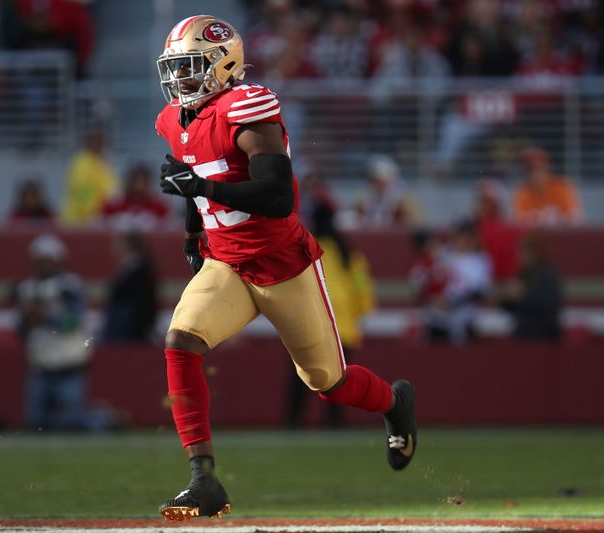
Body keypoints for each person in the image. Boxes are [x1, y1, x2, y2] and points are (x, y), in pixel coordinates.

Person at [153, 15, 417, 521]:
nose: (180, 80)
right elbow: (194, 177)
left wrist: (201, 191)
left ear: (222, 64)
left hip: (281, 264)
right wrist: (192, 232)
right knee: (180, 342)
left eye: (189, 67)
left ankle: (393, 402)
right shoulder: (174, 118)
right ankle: (203, 479)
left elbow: (274, 197)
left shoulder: (247, 107)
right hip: (226, 261)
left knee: (328, 382)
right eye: (175, 68)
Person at [285, 172, 376, 429]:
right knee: (338, 379)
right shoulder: (346, 249)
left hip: (309, 323)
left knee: (302, 377)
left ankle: (293, 422)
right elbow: (362, 287)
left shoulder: (304, 245)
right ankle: (334, 425)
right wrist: (358, 314)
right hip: (342, 325)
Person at [12, 234, 114, 431]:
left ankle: (104, 420)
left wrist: (45, 316)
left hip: (69, 366)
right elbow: (20, 332)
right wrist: (28, 319)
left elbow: (73, 323)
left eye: (48, 260)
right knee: (36, 425)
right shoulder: (27, 289)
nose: (44, 265)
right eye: (40, 260)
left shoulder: (70, 286)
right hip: (40, 367)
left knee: (72, 424)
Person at [499, 232, 562, 341]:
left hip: (543, 335)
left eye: (525, 252)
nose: (521, 256)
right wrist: (505, 298)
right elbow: (515, 307)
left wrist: (522, 295)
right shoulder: (523, 273)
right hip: (524, 333)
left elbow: (548, 304)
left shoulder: (547, 274)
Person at [101, 232, 158, 342]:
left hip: (129, 324)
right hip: (124, 321)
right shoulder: (129, 266)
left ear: (128, 245)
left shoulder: (138, 267)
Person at [59, 131, 119, 226]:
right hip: (80, 221)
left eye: (100, 140)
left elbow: (112, 188)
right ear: (88, 142)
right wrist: (92, 213)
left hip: (101, 218)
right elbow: (82, 191)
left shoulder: (102, 162)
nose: (98, 143)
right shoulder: (82, 163)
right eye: (94, 140)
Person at [512, 147, 582, 226]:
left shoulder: (561, 186)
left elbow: (574, 219)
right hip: (537, 237)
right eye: (527, 170)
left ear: (546, 167)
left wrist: (545, 218)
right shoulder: (522, 192)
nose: (532, 173)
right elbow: (520, 222)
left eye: (534, 168)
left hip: (561, 236)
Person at [354, 155, 421, 227]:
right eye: (372, 180)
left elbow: (419, 223)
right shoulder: (364, 200)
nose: (375, 184)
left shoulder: (405, 200)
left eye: (378, 181)